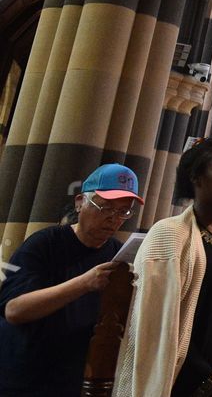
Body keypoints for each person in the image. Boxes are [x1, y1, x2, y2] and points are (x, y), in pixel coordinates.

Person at [117, 137, 212, 397]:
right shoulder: (168, 235)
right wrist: (211, 382)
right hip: (179, 382)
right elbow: (158, 326)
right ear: (196, 176)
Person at [0, 163, 138, 397]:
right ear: (80, 202)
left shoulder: (118, 254)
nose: (113, 219)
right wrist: (84, 283)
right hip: (24, 376)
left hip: (74, 379)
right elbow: (14, 310)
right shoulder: (45, 243)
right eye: (105, 207)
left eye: (123, 212)